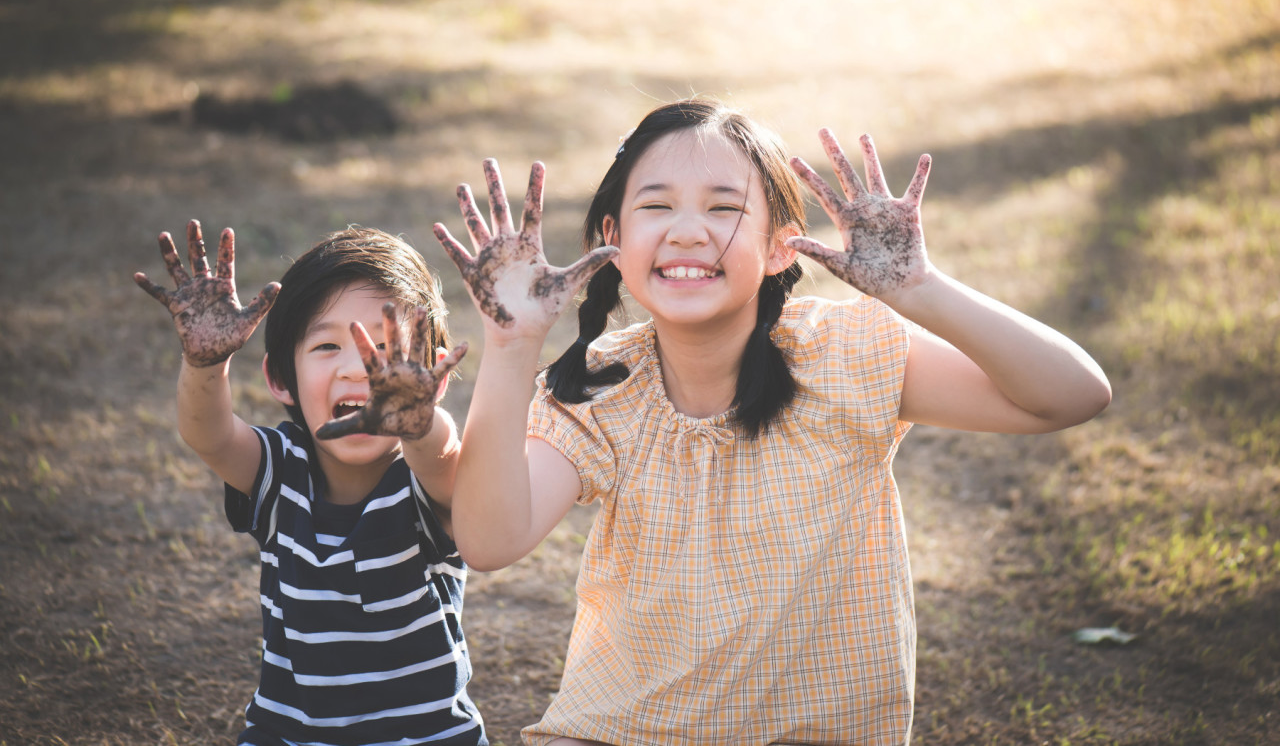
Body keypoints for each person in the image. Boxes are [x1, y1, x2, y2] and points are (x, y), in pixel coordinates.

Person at [433, 97, 1112, 746]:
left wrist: (920, 290)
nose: (688, 230)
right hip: (622, 727)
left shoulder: (845, 356)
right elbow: (491, 542)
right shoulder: (602, 386)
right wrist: (511, 345)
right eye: (656, 205)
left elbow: (1073, 394)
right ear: (613, 239)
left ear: (783, 246)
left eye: (724, 207)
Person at [135, 222, 487, 746]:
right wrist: (206, 363)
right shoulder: (281, 471)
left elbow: (444, 461)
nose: (358, 368)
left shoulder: (423, 479)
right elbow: (207, 435)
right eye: (326, 346)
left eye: (387, 347)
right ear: (281, 379)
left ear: (433, 374)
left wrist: (423, 423)